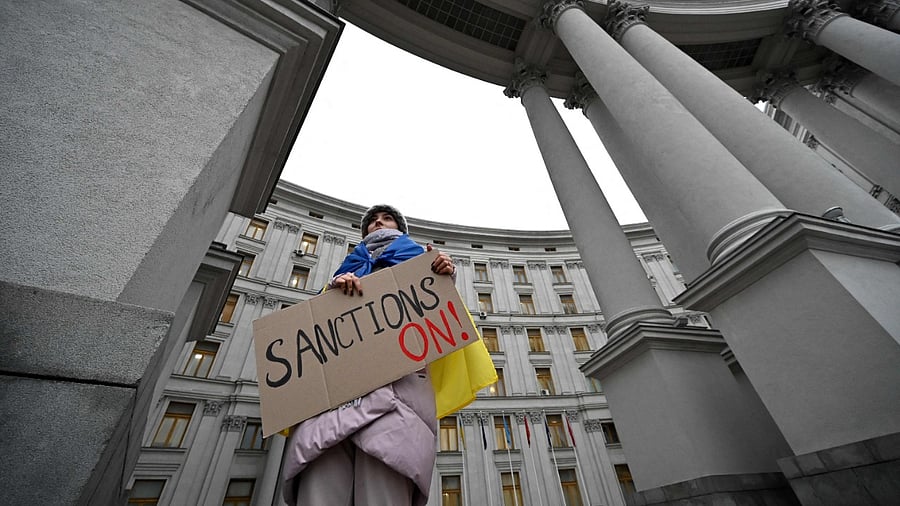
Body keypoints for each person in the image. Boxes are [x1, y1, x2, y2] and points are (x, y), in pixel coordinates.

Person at [281, 204, 456, 506]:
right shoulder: (341, 273)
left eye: (387, 218)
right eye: (372, 221)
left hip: (396, 401)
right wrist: (332, 298)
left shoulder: (424, 262)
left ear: (401, 230)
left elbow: (440, 316)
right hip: (332, 404)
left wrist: (443, 275)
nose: (378, 223)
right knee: (319, 492)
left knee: (381, 495)